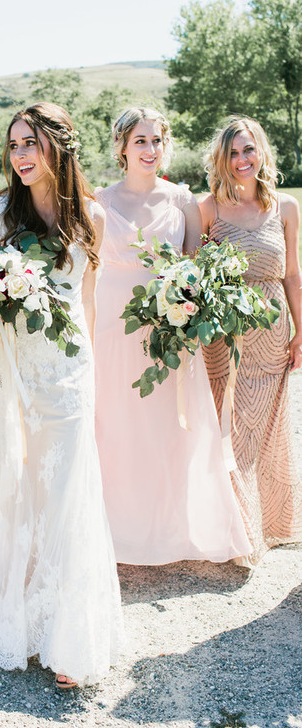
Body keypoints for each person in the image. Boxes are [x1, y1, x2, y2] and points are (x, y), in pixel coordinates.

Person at [0, 102, 123, 690]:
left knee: (67, 486)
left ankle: (66, 631)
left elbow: (90, 301)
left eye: (31, 143)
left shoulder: (91, 218)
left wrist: (94, 376)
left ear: (59, 146)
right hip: (17, 367)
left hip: (71, 370)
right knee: (17, 477)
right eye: (14, 145)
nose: (20, 155)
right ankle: (16, 596)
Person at [94, 107, 251, 565]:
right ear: (122, 146)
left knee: (169, 426)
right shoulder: (98, 201)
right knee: (115, 424)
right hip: (111, 326)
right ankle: (117, 526)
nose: (150, 150)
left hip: (167, 329)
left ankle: (169, 528)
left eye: (157, 141)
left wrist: (187, 310)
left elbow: (193, 270)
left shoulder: (182, 201)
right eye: (140, 141)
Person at [200, 116, 302, 566]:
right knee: (228, 430)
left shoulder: (287, 207)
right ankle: (235, 532)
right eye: (233, 152)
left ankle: (268, 527)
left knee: (262, 432)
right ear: (222, 159)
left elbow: (294, 275)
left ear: (261, 152)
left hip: (273, 331)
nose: (242, 160)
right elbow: (190, 274)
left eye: (248, 150)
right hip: (223, 339)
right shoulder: (207, 209)